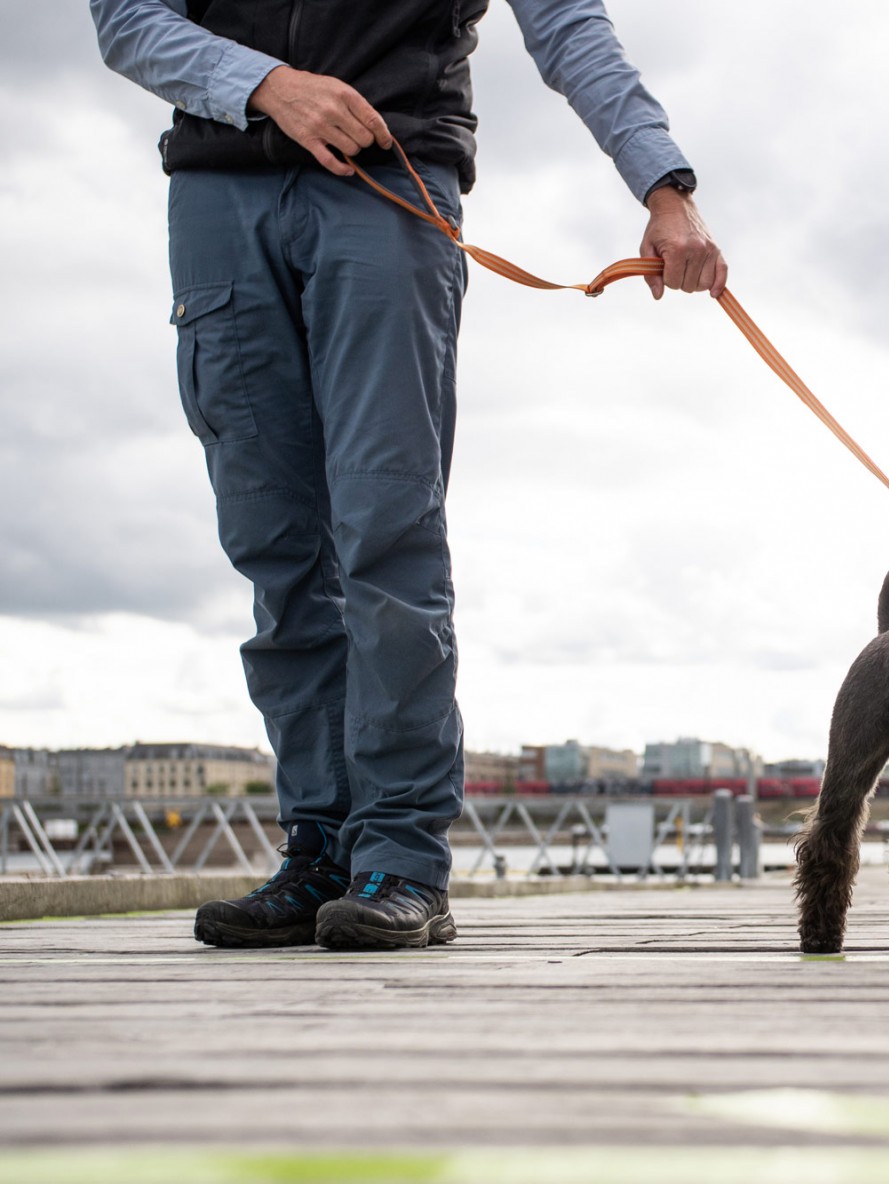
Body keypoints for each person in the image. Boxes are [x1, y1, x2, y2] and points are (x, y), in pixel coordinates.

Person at [91, 0, 725, 950]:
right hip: (219, 193)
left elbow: (570, 29)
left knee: (387, 532)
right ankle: (318, 848)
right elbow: (126, 18)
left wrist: (663, 185)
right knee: (274, 546)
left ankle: (400, 859)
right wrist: (266, 86)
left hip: (387, 189)